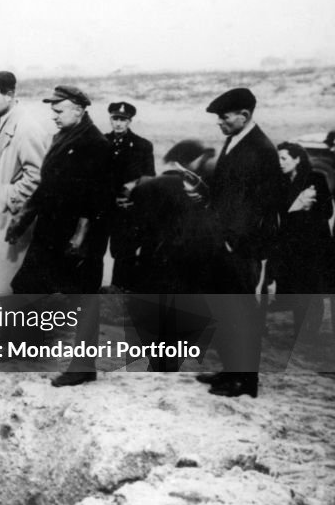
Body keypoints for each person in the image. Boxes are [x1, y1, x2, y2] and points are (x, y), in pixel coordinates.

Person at [9, 85, 113, 387]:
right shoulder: (61, 138)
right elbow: (46, 186)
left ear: (79, 109)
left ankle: (83, 368)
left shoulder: (96, 144)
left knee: (84, 298)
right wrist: (23, 217)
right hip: (51, 230)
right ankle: (25, 347)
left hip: (80, 238)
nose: (53, 115)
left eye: (59, 110)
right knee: (26, 284)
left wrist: (81, 236)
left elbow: (98, 198)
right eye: (52, 110)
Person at [197, 87, 284, 398]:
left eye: (225, 117)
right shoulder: (235, 140)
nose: (219, 123)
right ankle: (231, 370)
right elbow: (228, 193)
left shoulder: (260, 149)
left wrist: (235, 242)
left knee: (242, 314)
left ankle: (245, 381)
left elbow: (262, 204)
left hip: (241, 248)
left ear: (244, 116)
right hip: (226, 244)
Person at [124, 140, 223, 371]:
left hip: (153, 260)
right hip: (186, 261)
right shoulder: (198, 191)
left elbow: (133, 231)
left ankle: (156, 361)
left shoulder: (146, 187)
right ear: (190, 161)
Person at [0, 71, 49, 295]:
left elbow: (36, 176)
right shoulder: (2, 122)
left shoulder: (26, 127)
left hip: (10, 219)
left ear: (9, 95)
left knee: (6, 281)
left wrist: (6, 196)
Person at [269, 142, 333, 342]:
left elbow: (326, 212)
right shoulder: (279, 182)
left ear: (297, 159)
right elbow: (278, 213)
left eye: (284, 158)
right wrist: (298, 208)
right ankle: (300, 333)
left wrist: (302, 211)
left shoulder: (316, 178)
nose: (279, 163)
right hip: (291, 245)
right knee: (297, 288)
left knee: (313, 290)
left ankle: (308, 334)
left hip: (314, 245)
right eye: (277, 158)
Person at [104, 101, 155, 290]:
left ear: (130, 121)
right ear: (110, 119)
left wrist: (131, 186)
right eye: (115, 118)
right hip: (104, 207)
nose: (118, 123)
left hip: (126, 209)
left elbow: (149, 177)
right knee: (96, 250)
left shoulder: (142, 146)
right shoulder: (102, 142)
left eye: (123, 120)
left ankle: (120, 291)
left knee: (124, 252)